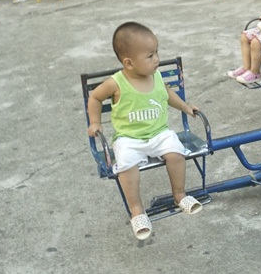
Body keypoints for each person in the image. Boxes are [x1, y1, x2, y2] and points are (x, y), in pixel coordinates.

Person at [86, 22, 202, 240]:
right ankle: (137, 211)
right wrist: (95, 122)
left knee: (176, 153)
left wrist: (185, 107)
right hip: (129, 138)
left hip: (159, 133)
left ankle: (180, 194)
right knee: (127, 163)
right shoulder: (116, 83)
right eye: (150, 56)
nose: (157, 59)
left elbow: (167, 94)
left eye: (157, 52)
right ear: (128, 63)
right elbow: (95, 97)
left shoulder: (156, 76)